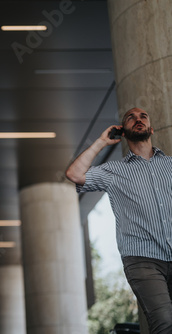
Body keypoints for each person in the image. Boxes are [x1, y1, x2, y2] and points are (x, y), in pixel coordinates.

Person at [65, 107, 172, 334]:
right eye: (130, 117)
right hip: (143, 260)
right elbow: (74, 174)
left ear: (151, 128)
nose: (138, 119)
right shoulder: (114, 171)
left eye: (143, 116)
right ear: (122, 132)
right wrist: (101, 143)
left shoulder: (170, 165)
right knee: (164, 323)